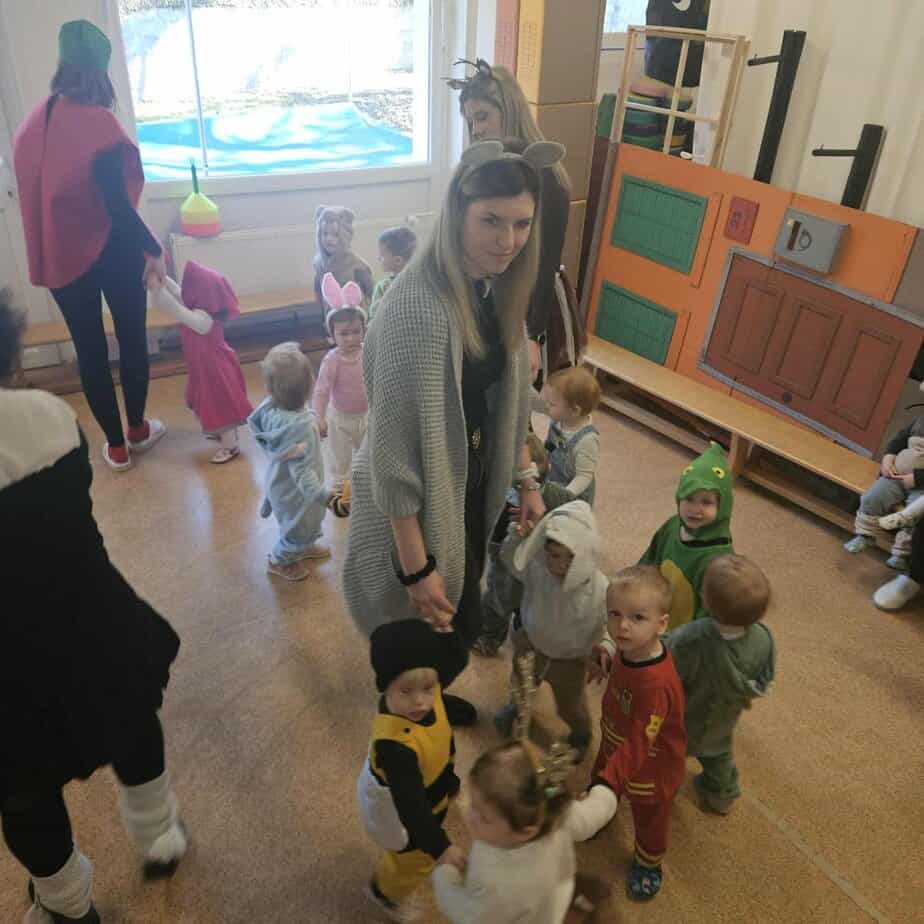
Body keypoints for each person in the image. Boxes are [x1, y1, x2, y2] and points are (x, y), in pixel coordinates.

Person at [343, 140, 564, 725]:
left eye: (521, 224)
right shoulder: (417, 307)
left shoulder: (495, 287)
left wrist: (525, 479)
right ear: (458, 213)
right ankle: (410, 713)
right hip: (415, 502)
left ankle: (429, 692)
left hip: (464, 481)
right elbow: (391, 454)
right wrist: (415, 569)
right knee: (423, 622)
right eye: (491, 220)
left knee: (458, 614)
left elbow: (502, 406)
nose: (508, 240)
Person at [0, 292, 186, 924]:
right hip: (96, 617)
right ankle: (160, 836)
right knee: (131, 723)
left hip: (9, 664)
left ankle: (67, 905)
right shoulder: (52, 415)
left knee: (24, 791)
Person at [13, 20, 167, 471]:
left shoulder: (35, 123)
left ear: (63, 64)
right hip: (114, 249)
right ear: (102, 72)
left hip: (61, 252)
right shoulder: (99, 124)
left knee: (90, 352)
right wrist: (153, 248)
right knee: (132, 339)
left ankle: (116, 448)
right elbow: (116, 203)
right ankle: (137, 429)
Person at [449, 59, 581, 378]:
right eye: (470, 121)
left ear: (509, 110)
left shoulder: (546, 176)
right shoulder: (481, 172)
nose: (476, 129)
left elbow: (544, 262)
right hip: (494, 294)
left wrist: (534, 334)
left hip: (532, 302)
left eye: (483, 117)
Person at [432, 740, 617, 923]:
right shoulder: (553, 809)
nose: (470, 816)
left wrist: (445, 877)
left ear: (525, 832)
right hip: (555, 901)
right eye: (473, 804)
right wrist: (604, 792)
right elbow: (589, 818)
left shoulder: (501, 885)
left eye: (485, 818)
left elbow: (471, 916)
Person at [587, 566, 686, 902]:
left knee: (650, 816)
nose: (622, 626)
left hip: (650, 765)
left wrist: (608, 783)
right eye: (614, 614)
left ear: (662, 624)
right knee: (601, 778)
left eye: (637, 617)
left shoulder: (657, 685)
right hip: (614, 742)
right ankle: (600, 808)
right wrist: (607, 652)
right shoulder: (630, 647)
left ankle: (648, 863)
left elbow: (641, 741)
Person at [358, 619, 464, 922]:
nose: (420, 701)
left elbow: (455, 662)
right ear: (386, 687)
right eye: (406, 691)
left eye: (429, 688)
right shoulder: (396, 749)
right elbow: (412, 809)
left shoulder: (430, 691)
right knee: (414, 860)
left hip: (431, 783)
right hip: (400, 814)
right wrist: (440, 848)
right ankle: (384, 892)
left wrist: (448, 634)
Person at [493, 500, 608, 760]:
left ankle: (581, 733)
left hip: (570, 659)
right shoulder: (537, 568)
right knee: (521, 683)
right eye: (554, 555)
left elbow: (612, 620)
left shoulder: (600, 589)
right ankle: (516, 708)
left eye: (571, 557)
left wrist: (605, 649)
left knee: (570, 704)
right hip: (531, 642)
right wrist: (516, 536)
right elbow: (513, 560)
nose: (559, 566)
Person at [666, 555, 775, 815]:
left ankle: (665, 788)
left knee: (669, 754)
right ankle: (721, 796)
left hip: (686, 718)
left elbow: (667, 671)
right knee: (719, 755)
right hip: (723, 719)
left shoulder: (692, 638)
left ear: (706, 600)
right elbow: (766, 676)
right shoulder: (764, 638)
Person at [248, 343, 347, 582]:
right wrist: (328, 499)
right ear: (311, 383)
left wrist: (312, 420)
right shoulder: (298, 428)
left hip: (279, 484)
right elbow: (303, 476)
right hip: (295, 494)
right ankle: (280, 560)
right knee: (299, 528)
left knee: (302, 525)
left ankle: (304, 545)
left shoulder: (273, 407)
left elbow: (300, 415)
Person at [146, 262, 253, 463]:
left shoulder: (203, 320)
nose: (186, 292)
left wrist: (157, 289)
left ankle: (230, 446)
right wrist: (162, 277)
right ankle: (223, 433)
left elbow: (174, 308)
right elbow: (178, 293)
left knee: (220, 406)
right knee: (211, 404)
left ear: (201, 294)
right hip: (206, 368)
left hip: (215, 371)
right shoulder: (200, 309)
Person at [639, 442, 735, 629]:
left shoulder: (720, 560)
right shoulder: (672, 526)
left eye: (706, 502)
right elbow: (648, 565)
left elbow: (709, 619)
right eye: (689, 499)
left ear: (723, 506)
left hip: (684, 637)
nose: (695, 509)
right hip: (655, 620)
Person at [844, 415, 924, 571]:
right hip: (896, 476)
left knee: (915, 515)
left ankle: (901, 554)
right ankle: (865, 535)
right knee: (872, 498)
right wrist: (888, 459)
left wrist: (917, 478)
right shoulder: (920, 421)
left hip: (921, 487)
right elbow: (899, 441)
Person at [313, 273, 368, 492]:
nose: (351, 338)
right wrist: (318, 417)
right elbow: (321, 391)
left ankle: (367, 484)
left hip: (367, 416)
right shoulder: (332, 360)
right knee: (340, 458)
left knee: (368, 455)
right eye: (344, 334)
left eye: (356, 332)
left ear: (364, 330)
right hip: (340, 419)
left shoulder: (368, 352)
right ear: (332, 335)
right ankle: (340, 489)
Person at [542, 366, 602, 506]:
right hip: (553, 479)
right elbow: (551, 445)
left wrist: (564, 496)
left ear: (574, 410)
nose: (546, 406)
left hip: (571, 497)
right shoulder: (559, 421)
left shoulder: (587, 440)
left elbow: (584, 476)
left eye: (552, 404)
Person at [370, 226, 417, 321]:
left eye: (382, 256)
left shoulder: (383, 287)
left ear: (397, 260)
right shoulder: (419, 282)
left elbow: (374, 315)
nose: (378, 258)